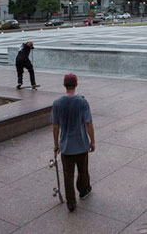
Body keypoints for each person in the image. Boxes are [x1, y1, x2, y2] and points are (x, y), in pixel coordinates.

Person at [52, 74, 95, 212]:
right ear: (76, 84)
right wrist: (92, 141)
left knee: (67, 175)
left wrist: (56, 144)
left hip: (65, 146)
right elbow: (89, 124)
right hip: (81, 145)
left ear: (64, 85)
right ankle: (83, 191)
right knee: (83, 171)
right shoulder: (82, 102)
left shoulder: (57, 103)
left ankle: (71, 203)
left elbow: (55, 126)